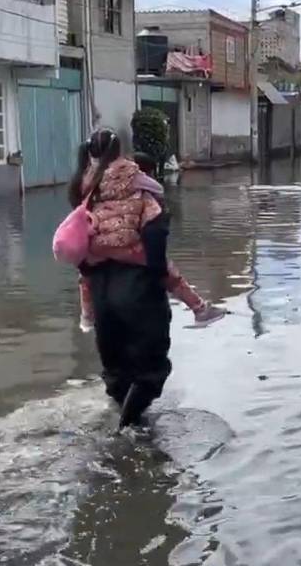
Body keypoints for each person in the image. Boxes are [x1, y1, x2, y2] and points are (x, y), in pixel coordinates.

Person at [69, 129, 173, 428]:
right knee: (150, 369)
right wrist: (157, 275)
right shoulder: (136, 183)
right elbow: (155, 228)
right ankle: (125, 432)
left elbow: (76, 241)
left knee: (117, 370)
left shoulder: (83, 191)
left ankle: (124, 423)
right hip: (137, 288)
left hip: (100, 289)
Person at [72, 138, 226, 332]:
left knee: (84, 273)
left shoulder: (87, 178)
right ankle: (199, 309)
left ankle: (86, 316)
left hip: (96, 246)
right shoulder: (131, 175)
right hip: (125, 244)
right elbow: (158, 192)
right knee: (167, 270)